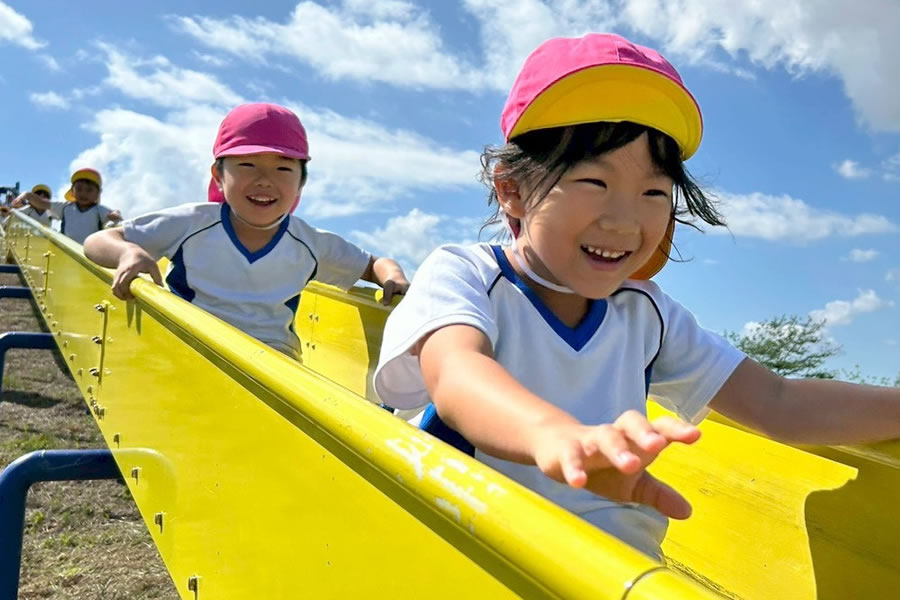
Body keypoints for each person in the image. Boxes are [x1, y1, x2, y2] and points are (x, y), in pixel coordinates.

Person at [373, 33, 900, 558]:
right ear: (511, 187)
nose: (624, 221)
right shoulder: (466, 275)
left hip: (614, 572)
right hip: (469, 552)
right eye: (593, 183)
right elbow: (456, 373)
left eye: (653, 192)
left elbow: (779, 404)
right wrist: (554, 436)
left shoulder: (646, 313)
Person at [84, 102, 410, 359]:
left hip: (274, 364)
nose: (264, 180)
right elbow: (98, 241)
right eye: (247, 165)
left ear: (301, 183)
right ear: (218, 175)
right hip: (190, 348)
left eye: (283, 168)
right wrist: (129, 252)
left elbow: (373, 264)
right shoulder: (193, 223)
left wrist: (392, 276)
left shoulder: (309, 242)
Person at [15, 169, 122, 243]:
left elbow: (116, 217)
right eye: (79, 189)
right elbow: (42, 203)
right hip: (68, 252)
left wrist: (116, 214)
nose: (83, 194)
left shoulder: (99, 211)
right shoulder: (65, 207)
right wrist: (27, 195)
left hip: (90, 254)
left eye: (89, 190)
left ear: (98, 193)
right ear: (72, 191)